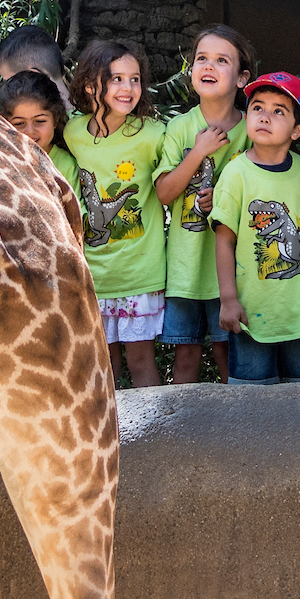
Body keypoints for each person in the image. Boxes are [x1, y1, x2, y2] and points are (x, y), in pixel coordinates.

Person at [59, 38, 174, 389]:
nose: (129, 87)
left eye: (135, 79)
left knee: (141, 360)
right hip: (94, 275)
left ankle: (154, 441)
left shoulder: (153, 135)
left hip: (140, 272)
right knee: (103, 365)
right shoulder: (73, 132)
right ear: (92, 85)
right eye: (118, 79)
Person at [212, 72, 300, 385]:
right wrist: (228, 300)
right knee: (251, 405)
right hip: (253, 314)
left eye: (279, 111)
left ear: (298, 129)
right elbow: (224, 241)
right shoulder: (235, 174)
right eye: (258, 107)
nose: (266, 116)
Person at [153, 25, 255, 385]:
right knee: (185, 356)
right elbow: (164, 193)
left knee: (230, 355)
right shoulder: (180, 128)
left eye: (221, 60)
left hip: (234, 271)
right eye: (202, 59)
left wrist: (226, 201)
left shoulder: (254, 130)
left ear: (242, 78)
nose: (208, 66)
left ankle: (233, 435)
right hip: (186, 267)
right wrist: (197, 152)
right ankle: (183, 437)